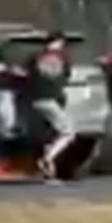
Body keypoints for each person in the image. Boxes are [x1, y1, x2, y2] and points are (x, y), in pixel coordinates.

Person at [24, 31, 75, 182]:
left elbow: (27, 75)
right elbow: (66, 78)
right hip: (51, 100)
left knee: (51, 134)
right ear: (59, 42)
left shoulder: (34, 57)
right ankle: (48, 158)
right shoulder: (63, 57)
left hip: (35, 101)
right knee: (68, 132)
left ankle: (47, 170)